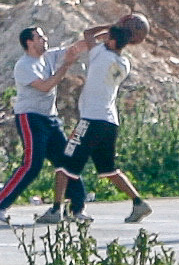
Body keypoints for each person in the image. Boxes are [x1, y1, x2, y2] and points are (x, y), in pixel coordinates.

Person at [52, 20, 153, 226]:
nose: (104, 38)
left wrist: (112, 24)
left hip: (91, 119)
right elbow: (101, 40)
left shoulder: (100, 53)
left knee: (65, 163)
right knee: (108, 169)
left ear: (113, 41)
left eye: (108, 37)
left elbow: (88, 32)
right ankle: (138, 202)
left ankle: (55, 209)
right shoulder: (124, 64)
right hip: (109, 121)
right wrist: (120, 32)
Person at [0, 24, 79, 224]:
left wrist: (104, 35)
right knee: (32, 164)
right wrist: (65, 67)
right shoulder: (24, 65)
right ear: (29, 42)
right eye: (40, 37)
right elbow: (46, 86)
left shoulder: (49, 57)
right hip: (30, 117)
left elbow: (76, 48)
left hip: (51, 117)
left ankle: (76, 208)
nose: (45, 39)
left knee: (66, 161)